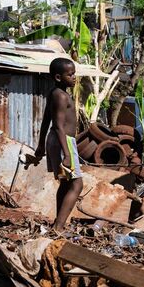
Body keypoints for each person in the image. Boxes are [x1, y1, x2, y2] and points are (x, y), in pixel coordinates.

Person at [33, 57, 82, 231]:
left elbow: (46, 119)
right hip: (64, 141)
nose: (74, 77)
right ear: (58, 77)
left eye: (74, 73)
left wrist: (40, 145)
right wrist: (67, 154)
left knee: (65, 183)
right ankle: (59, 226)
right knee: (77, 185)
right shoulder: (61, 96)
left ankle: (58, 223)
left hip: (56, 140)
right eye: (70, 74)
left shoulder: (55, 93)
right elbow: (58, 125)